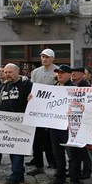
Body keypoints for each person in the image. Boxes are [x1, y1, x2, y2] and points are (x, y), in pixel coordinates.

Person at [0, 63, 33, 184]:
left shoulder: (26, 85)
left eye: (10, 72)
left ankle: (15, 177)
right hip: (5, 124)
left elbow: (35, 98)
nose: (7, 75)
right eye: (6, 72)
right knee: (11, 149)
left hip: (21, 124)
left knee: (17, 151)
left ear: (17, 72)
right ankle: (19, 174)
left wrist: (31, 99)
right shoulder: (3, 86)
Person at [27, 48, 58, 176]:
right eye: (42, 57)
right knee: (37, 138)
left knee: (51, 139)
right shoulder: (35, 72)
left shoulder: (57, 71)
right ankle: (38, 164)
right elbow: (33, 88)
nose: (44, 59)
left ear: (52, 58)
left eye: (47, 57)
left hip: (52, 109)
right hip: (38, 108)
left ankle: (54, 164)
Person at [45, 65, 75, 184]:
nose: (60, 75)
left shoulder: (74, 88)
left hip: (69, 126)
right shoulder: (53, 88)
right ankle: (60, 176)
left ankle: (74, 180)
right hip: (54, 125)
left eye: (62, 73)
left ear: (69, 74)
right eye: (58, 73)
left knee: (72, 155)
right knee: (57, 154)